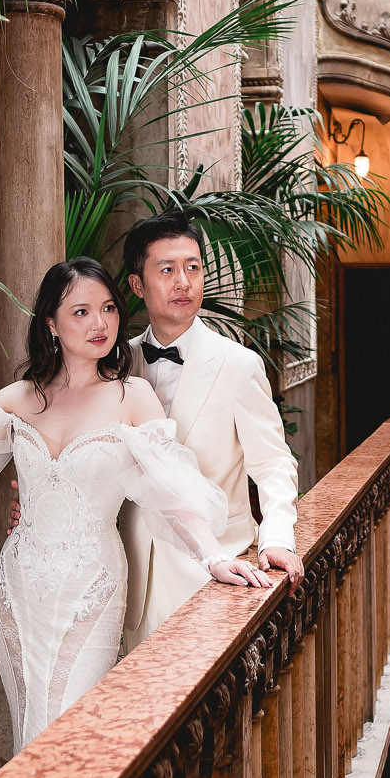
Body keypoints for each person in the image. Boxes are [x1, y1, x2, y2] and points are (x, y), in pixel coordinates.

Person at [0, 257, 271, 755]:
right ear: (51, 325)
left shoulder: (132, 395)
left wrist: (214, 556)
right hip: (18, 590)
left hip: (92, 587)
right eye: (80, 312)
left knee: (69, 731)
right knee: (29, 731)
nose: (99, 323)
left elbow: (174, 491)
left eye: (107, 309)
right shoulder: (20, 396)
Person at [120, 211, 302, 652]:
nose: (183, 281)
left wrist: (276, 537)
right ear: (137, 285)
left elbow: (274, 463)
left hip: (212, 575)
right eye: (167, 270)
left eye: (193, 267)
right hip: (126, 579)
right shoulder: (115, 364)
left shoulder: (239, 364)